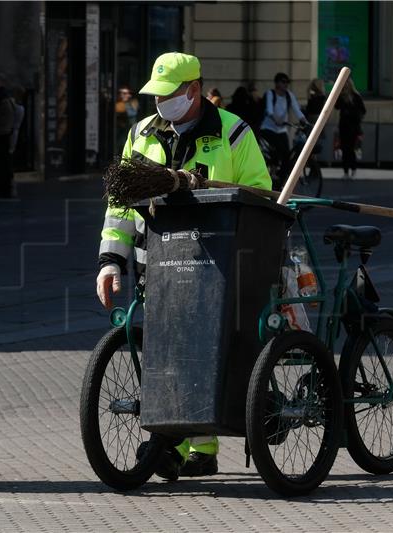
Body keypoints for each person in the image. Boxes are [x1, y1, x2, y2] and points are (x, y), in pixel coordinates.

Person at [96, 52, 271, 481]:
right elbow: (120, 205)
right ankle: (174, 440)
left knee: (205, 349)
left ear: (193, 90)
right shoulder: (140, 134)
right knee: (164, 350)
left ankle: (200, 446)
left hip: (214, 263)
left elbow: (260, 195)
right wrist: (109, 259)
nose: (159, 104)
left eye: (168, 95)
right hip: (154, 259)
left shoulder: (232, 132)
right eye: (154, 95)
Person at [259, 72, 308, 184]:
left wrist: (305, 121)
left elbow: (296, 109)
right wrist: (276, 120)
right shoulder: (271, 94)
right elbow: (269, 110)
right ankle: (273, 172)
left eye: (287, 82)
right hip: (268, 128)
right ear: (277, 83)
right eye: (283, 82)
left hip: (281, 129)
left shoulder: (289, 95)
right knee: (276, 151)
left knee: (287, 155)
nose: (286, 85)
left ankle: (280, 180)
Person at [335, 77, 366, 179]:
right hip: (344, 126)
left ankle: (353, 169)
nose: (344, 87)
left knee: (351, 149)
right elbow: (336, 106)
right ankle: (346, 171)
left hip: (353, 126)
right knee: (344, 148)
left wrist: (354, 114)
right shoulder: (342, 96)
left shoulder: (356, 96)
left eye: (345, 85)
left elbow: (363, 110)